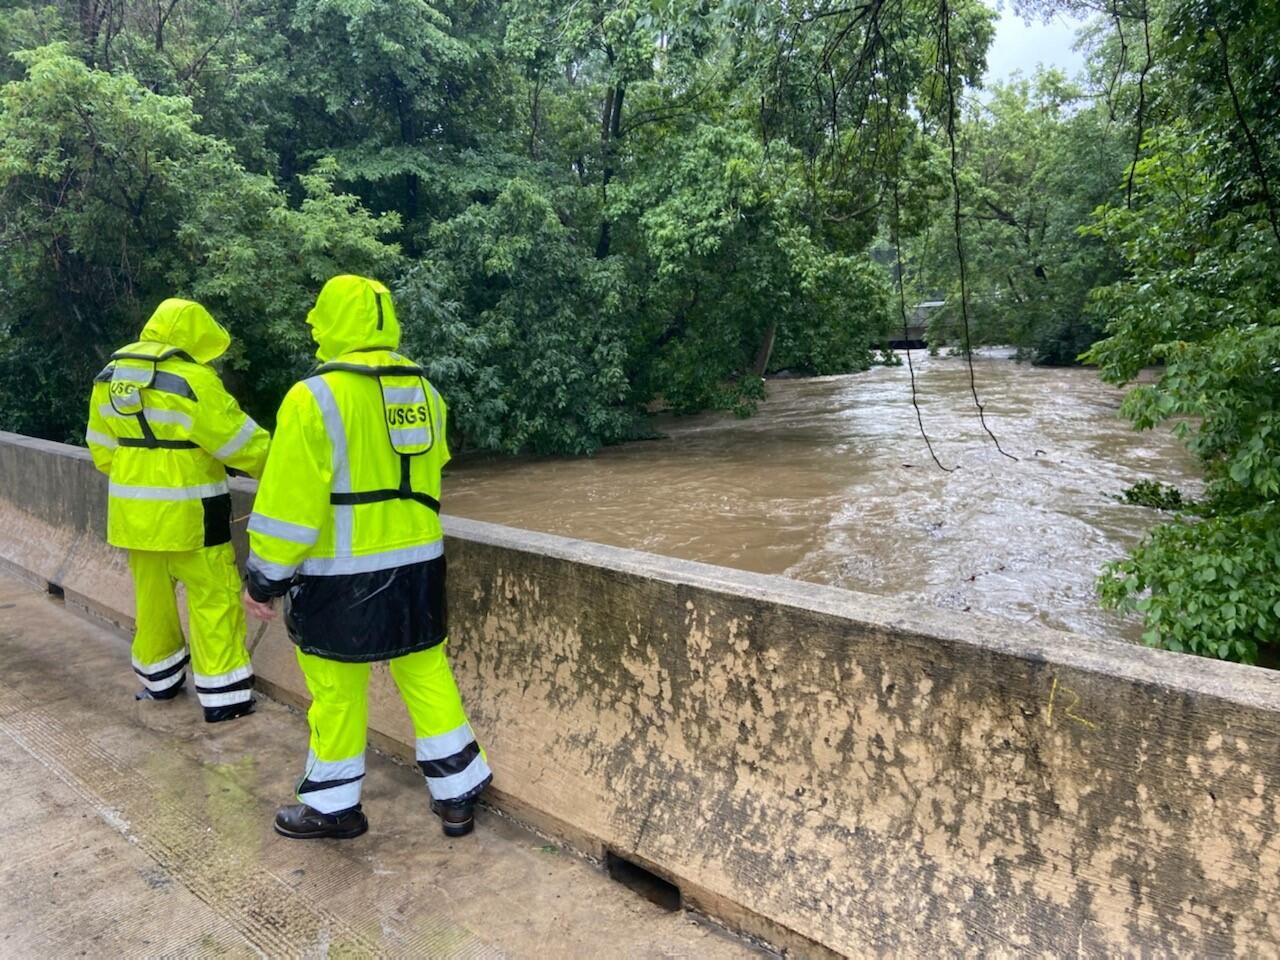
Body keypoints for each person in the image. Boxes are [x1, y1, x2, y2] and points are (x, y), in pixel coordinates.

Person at [243, 274, 492, 841]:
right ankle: (457, 797)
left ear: (334, 322)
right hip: (419, 570)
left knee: (337, 691)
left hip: (340, 579)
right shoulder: (426, 394)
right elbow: (431, 470)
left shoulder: (313, 397)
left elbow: (288, 507)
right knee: (426, 674)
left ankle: (333, 808)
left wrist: (263, 579)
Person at [85, 298, 270, 722]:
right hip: (194, 518)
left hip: (134, 519)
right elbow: (242, 445)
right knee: (214, 598)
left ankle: (160, 682)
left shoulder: (108, 378)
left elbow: (101, 451)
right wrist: (287, 469)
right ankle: (225, 700)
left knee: (152, 605)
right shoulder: (193, 380)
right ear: (194, 336)